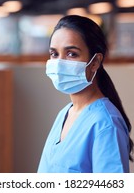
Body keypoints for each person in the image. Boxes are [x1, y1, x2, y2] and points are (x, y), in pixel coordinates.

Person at [37, 15, 133, 173]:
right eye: (54, 54)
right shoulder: (65, 113)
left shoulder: (105, 124)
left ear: (95, 62)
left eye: (71, 54)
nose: (60, 63)